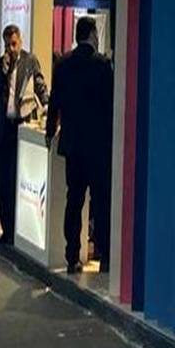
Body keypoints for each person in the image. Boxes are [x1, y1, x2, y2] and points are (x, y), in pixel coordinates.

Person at [46, 17, 114, 274]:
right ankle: (104, 256)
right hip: (98, 146)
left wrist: (50, 131)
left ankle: (72, 256)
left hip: (73, 145)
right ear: (93, 35)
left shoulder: (63, 65)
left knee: (74, 200)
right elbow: (110, 105)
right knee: (101, 200)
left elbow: (54, 102)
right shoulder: (102, 66)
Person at [0, 25, 47, 246]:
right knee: (3, 183)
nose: (11, 49)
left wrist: (48, 108)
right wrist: (3, 72)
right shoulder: (0, 64)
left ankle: (19, 232)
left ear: (20, 41)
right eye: (7, 45)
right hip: (3, 130)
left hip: (20, 129)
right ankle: (7, 232)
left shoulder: (30, 61)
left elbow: (40, 86)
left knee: (16, 182)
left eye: (13, 44)